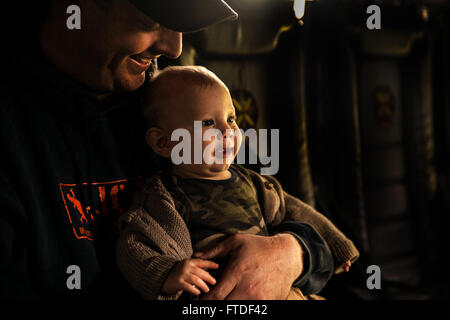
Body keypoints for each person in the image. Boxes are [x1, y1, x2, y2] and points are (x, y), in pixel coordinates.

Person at [0, 0, 349, 299]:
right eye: (151, 22)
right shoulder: (13, 134)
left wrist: (294, 253)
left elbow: (277, 209)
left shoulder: (177, 98)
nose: (174, 48)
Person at [116, 65, 358, 300]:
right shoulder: (164, 196)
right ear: (164, 143)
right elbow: (134, 244)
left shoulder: (252, 182)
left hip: (275, 285)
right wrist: (166, 273)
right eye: (208, 123)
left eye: (231, 118)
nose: (228, 130)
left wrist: (336, 245)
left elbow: (293, 211)